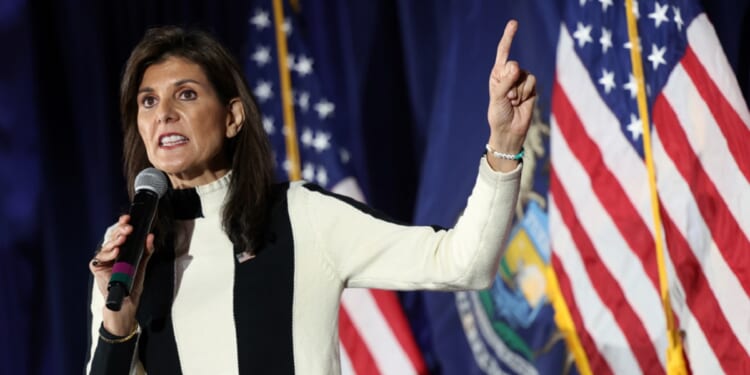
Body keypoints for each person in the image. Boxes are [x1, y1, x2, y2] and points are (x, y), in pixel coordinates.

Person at [86, 19, 536, 374]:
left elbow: (464, 262)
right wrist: (117, 323)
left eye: (185, 94)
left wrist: (503, 143)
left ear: (232, 118)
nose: (163, 113)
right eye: (148, 102)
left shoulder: (301, 216)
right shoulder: (127, 251)